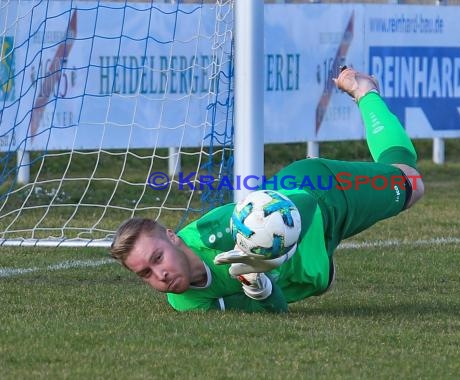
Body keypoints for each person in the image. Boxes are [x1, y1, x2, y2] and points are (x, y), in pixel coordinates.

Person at [109, 67, 425, 313]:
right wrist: (260, 287)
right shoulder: (186, 302)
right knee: (318, 272)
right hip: (314, 264)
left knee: (410, 182)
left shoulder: (220, 231)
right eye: (146, 274)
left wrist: (276, 240)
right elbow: (271, 312)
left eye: (157, 258)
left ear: (172, 237)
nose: (159, 275)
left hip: (322, 197)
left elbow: (303, 201)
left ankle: (364, 91)